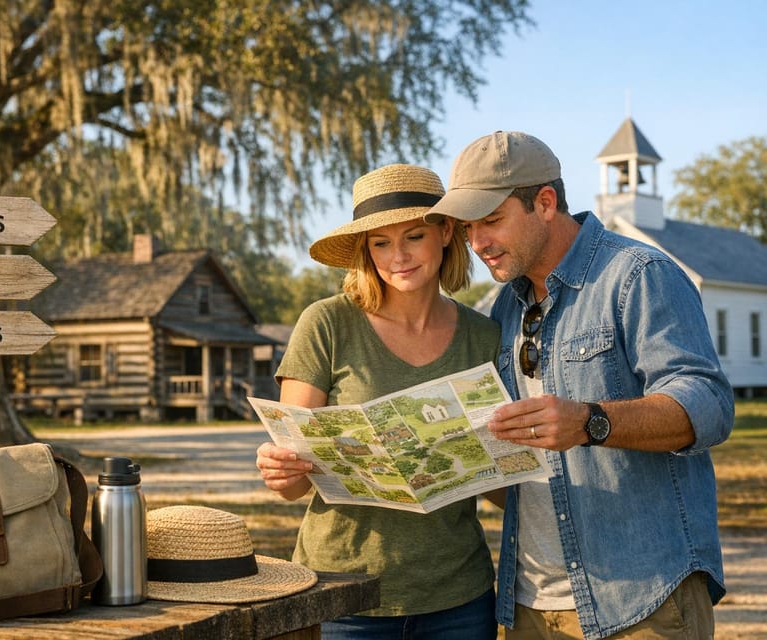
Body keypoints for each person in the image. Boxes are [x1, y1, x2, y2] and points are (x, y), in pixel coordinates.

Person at [425, 131, 734, 640]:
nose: (477, 243)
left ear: (545, 203)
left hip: (642, 602)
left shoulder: (638, 275)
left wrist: (590, 421)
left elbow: (709, 404)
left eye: (491, 221)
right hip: (528, 603)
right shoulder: (504, 307)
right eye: (467, 229)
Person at [255, 163, 501, 639]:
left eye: (413, 236)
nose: (398, 257)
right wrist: (280, 470)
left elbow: (501, 489)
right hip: (345, 593)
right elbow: (291, 486)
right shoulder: (326, 324)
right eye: (380, 243)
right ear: (365, 250)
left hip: (459, 598)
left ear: (446, 231)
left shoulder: (484, 336)